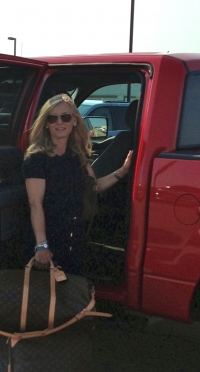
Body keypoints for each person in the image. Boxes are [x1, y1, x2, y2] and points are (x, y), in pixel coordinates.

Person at [23, 93, 132, 274]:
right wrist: (41, 245)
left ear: (74, 120)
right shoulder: (36, 159)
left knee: (71, 292)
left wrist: (123, 171)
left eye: (65, 117)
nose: (60, 123)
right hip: (50, 238)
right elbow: (35, 205)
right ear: (46, 123)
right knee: (49, 296)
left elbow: (93, 188)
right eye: (53, 118)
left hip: (75, 237)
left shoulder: (77, 156)